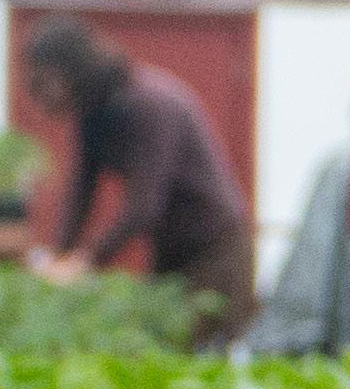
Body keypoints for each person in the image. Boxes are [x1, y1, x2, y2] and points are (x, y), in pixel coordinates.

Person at [22, 19, 256, 349]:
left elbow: (144, 207)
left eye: (48, 82)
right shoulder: (94, 113)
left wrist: (83, 262)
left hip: (216, 249)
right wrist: (59, 255)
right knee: (165, 349)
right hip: (171, 249)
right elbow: (81, 191)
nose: (45, 96)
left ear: (72, 71)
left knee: (199, 351)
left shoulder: (150, 104)